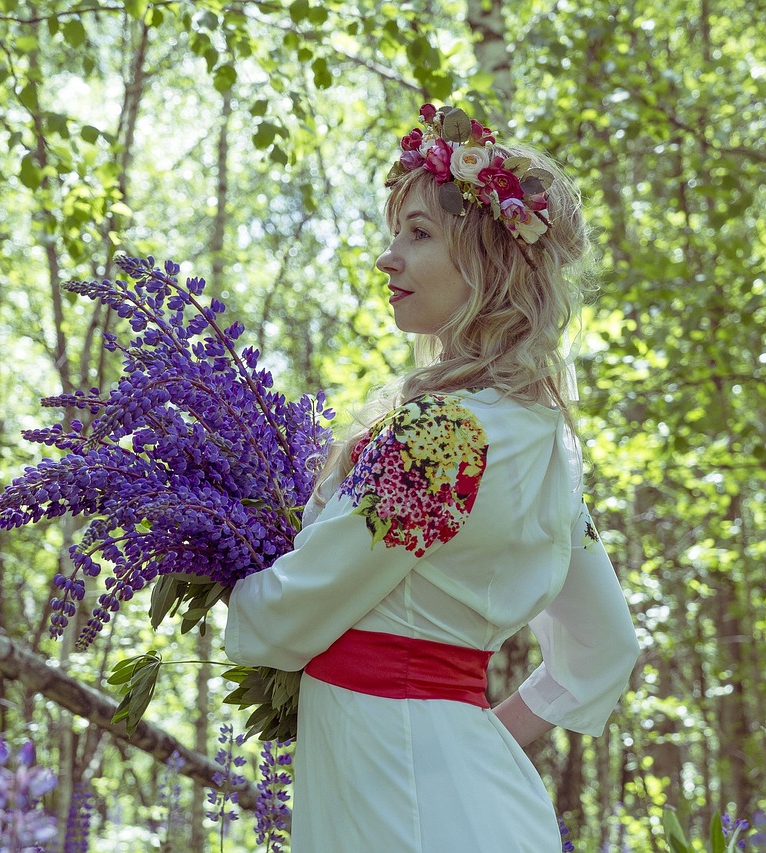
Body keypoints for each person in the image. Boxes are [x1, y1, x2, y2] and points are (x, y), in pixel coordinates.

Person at [224, 104, 640, 852]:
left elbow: (276, 626)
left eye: (418, 234)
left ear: (490, 262)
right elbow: (605, 647)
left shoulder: (439, 438)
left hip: (401, 808)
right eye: (395, 232)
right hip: (468, 802)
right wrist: (478, 739)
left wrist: (216, 557)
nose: (388, 257)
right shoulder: (544, 442)